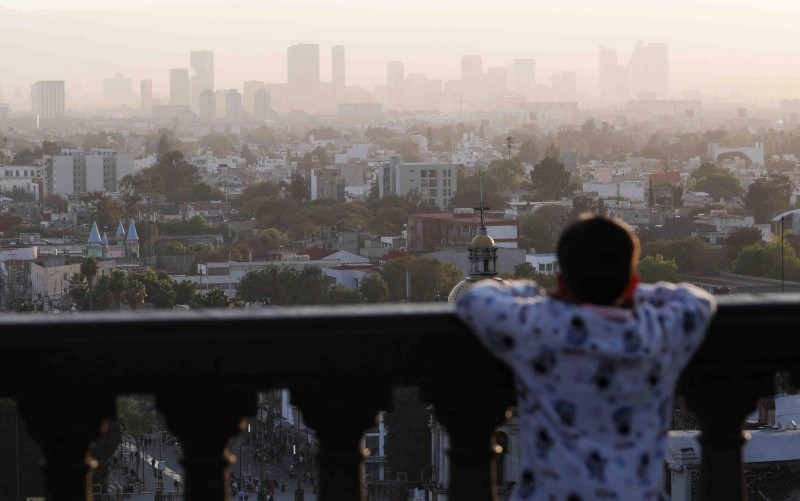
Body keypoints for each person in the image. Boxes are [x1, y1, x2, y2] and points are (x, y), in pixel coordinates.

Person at [454, 214, 717, 501]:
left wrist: (534, 292)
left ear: (561, 282)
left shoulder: (539, 326)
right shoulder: (655, 330)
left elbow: (474, 299)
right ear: (630, 283)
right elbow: (698, 301)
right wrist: (633, 292)